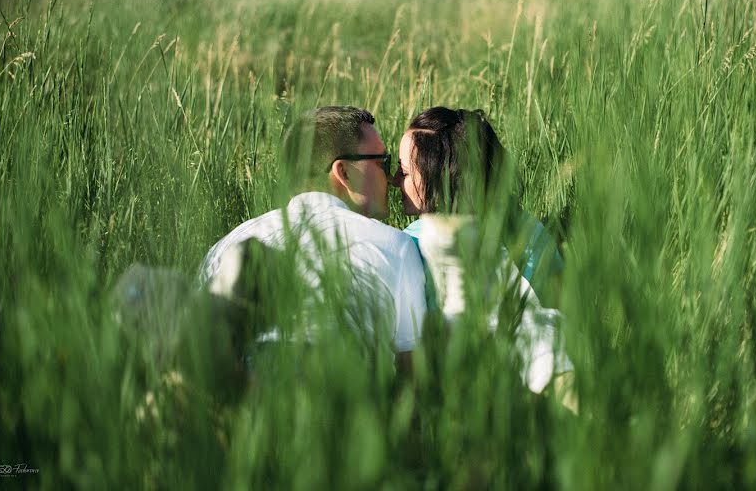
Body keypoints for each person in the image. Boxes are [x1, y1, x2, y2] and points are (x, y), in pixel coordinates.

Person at [201, 106, 427, 362]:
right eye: (381, 163)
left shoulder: (227, 245)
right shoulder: (394, 245)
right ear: (344, 172)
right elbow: (413, 375)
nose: (390, 178)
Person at [393, 106, 575, 406]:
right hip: (543, 381)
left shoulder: (415, 242)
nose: (394, 179)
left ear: (436, 177)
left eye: (404, 171)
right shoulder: (530, 228)